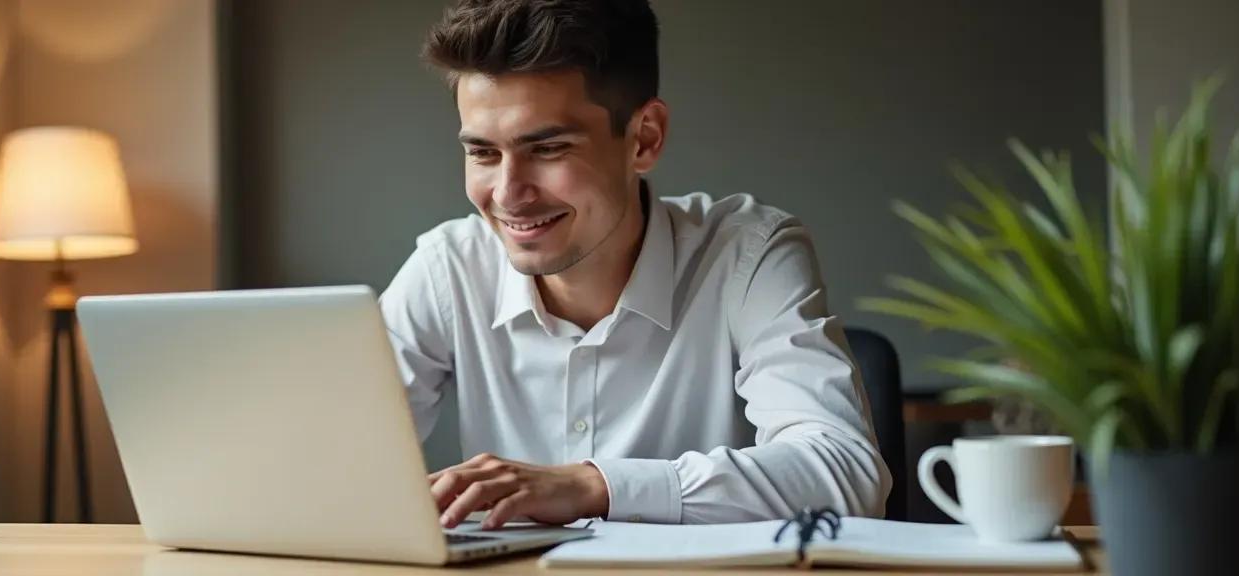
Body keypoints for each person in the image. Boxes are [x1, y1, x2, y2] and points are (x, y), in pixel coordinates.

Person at [380, 0, 890, 530]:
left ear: (645, 137)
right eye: (483, 153)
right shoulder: (448, 269)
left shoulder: (749, 254)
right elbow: (324, 464)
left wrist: (592, 485)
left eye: (549, 148)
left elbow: (846, 472)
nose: (509, 194)